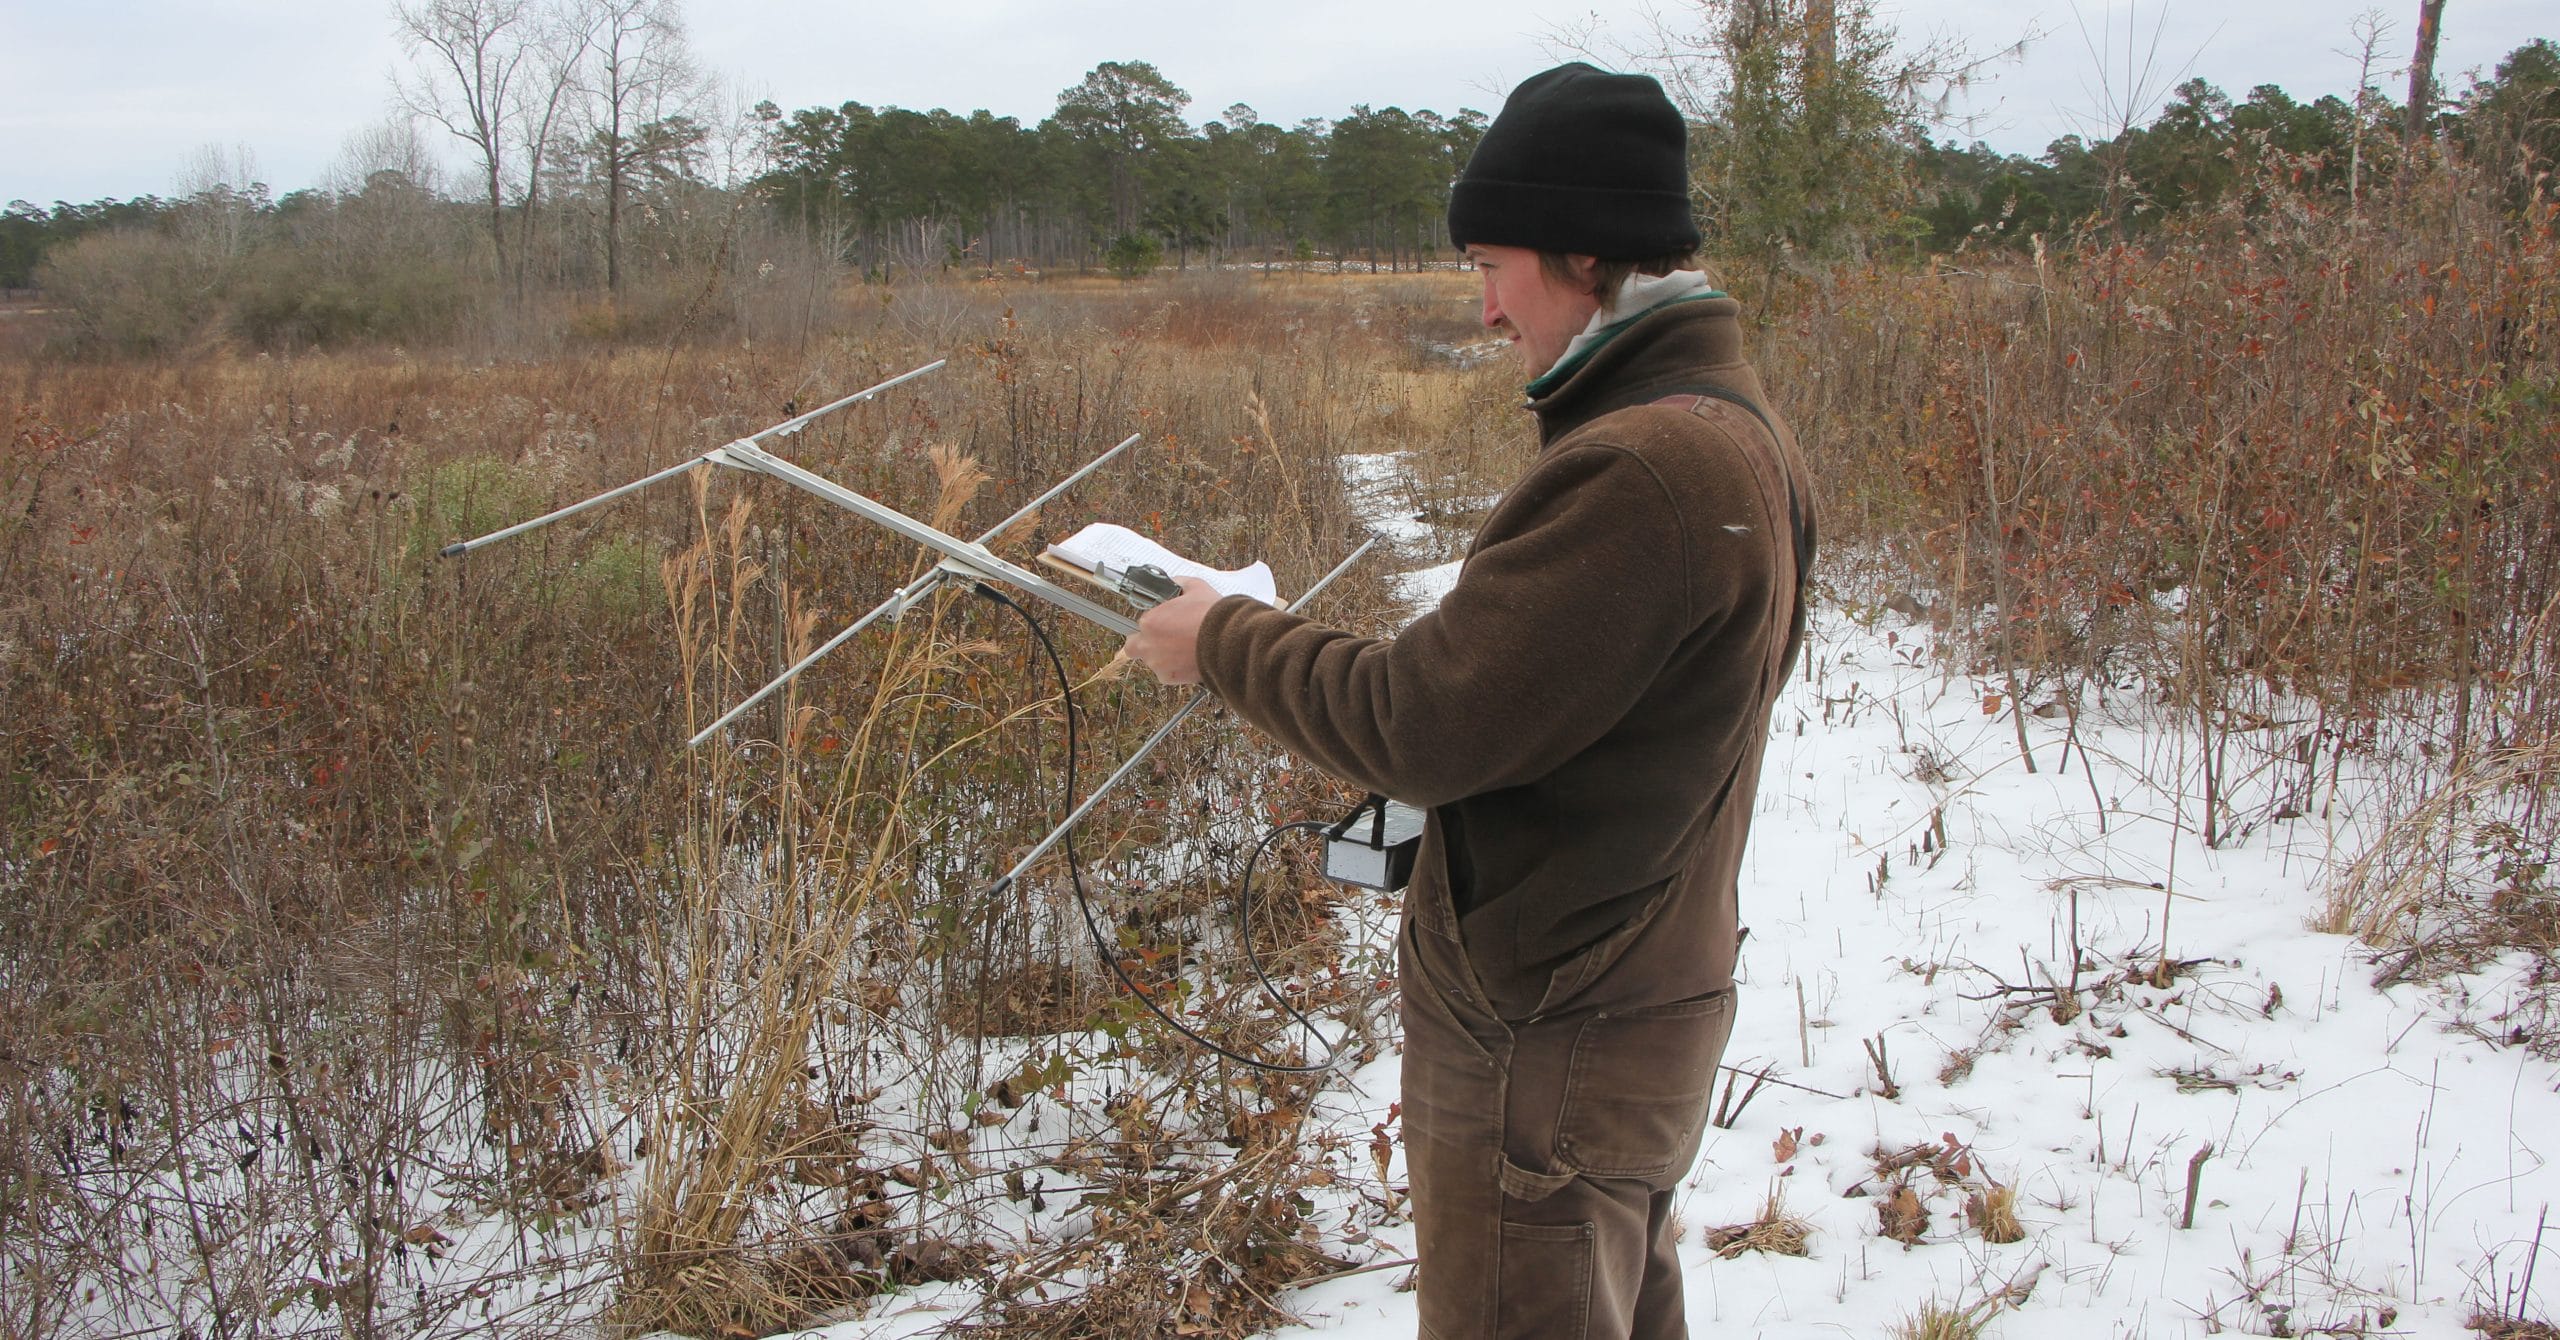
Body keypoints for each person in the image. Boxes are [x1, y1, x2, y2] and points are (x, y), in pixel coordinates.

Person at [1124, 61, 1813, 1340]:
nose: (1486, 310)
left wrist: (1220, 637)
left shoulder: (1647, 468)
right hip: (1623, 1002)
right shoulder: (1722, 422)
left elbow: (1423, 723)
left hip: (1548, 1035)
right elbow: (1527, 704)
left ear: (1585, 253)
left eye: (1494, 266)